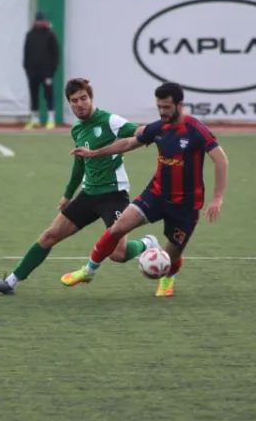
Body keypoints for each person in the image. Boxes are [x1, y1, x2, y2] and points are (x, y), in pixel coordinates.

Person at [0, 78, 159, 295]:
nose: (80, 104)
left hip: (114, 194)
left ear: (91, 98)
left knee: (118, 254)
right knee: (49, 236)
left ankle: (147, 243)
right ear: (69, 103)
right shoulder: (77, 130)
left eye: (83, 98)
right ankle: (10, 282)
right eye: (74, 101)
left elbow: (139, 132)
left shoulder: (110, 121)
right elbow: (79, 164)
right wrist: (67, 194)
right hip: (88, 194)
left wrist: (159, 130)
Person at [64, 82, 229, 298]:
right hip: (156, 194)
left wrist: (217, 198)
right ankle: (89, 271)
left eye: (167, 107)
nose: (162, 112)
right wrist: (94, 153)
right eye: (159, 107)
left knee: (172, 257)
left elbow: (221, 160)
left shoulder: (195, 129)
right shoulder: (158, 128)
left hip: (186, 205)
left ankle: (167, 278)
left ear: (179, 105)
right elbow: (127, 143)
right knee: (117, 228)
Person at [22, 11, 59, 130]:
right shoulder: (30, 35)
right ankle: (35, 120)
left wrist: (52, 70)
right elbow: (26, 52)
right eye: (38, 20)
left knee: (48, 94)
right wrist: (27, 68)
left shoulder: (50, 35)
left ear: (44, 21)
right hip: (33, 71)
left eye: (41, 20)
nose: (39, 22)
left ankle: (51, 119)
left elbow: (55, 54)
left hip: (46, 72)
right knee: (34, 95)